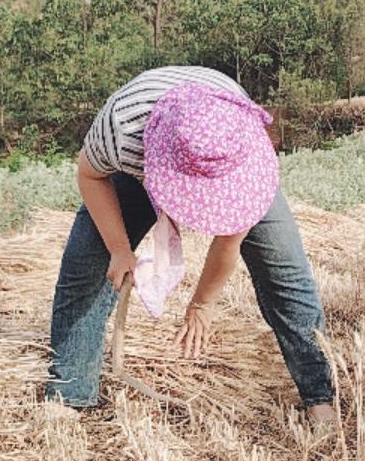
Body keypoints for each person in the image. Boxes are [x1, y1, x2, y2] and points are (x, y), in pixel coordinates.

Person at [45, 66, 335, 426]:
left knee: (285, 272)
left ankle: (319, 396)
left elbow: (229, 242)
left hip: (232, 161)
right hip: (141, 160)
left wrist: (202, 303)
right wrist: (119, 249)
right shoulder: (123, 127)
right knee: (85, 264)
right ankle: (69, 391)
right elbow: (90, 175)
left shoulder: (243, 145)